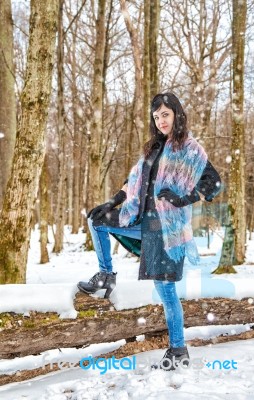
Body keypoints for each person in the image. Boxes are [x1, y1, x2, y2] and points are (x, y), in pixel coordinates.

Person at [78, 92, 221, 371]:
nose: (161, 121)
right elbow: (131, 181)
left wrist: (182, 199)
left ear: (177, 114)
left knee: (165, 289)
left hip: (167, 229)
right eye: (156, 117)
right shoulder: (153, 148)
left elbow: (213, 185)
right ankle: (106, 276)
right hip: (141, 220)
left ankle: (178, 350)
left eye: (165, 114)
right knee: (97, 221)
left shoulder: (190, 149)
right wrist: (112, 202)